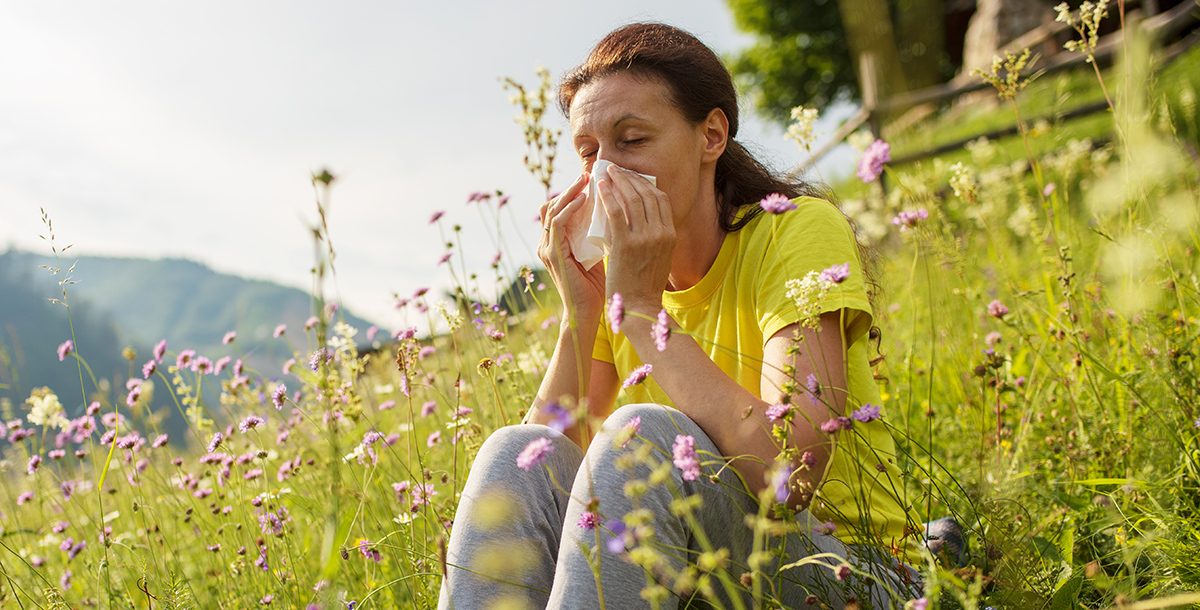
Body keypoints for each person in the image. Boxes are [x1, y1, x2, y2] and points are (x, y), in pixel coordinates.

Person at [438, 22, 927, 610]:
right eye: (588, 152)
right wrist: (584, 312)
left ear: (711, 135)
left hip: (846, 571)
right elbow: (542, 471)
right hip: (708, 571)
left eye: (632, 140)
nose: (603, 173)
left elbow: (788, 476)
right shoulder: (620, 278)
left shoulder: (796, 231)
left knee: (640, 433)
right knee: (510, 452)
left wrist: (642, 313)